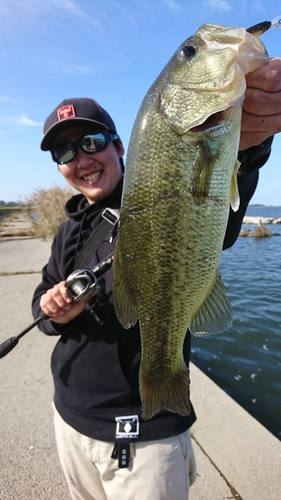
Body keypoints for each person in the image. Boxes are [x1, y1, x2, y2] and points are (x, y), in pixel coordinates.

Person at [32, 58, 281, 500]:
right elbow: (42, 307)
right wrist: (53, 311)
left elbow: (218, 208)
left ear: (121, 146)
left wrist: (249, 149)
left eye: (90, 143)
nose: (80, 160)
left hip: (143, 437)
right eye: (64, 153)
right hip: (69, 418)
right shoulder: (69, 229)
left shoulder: (160, 192)